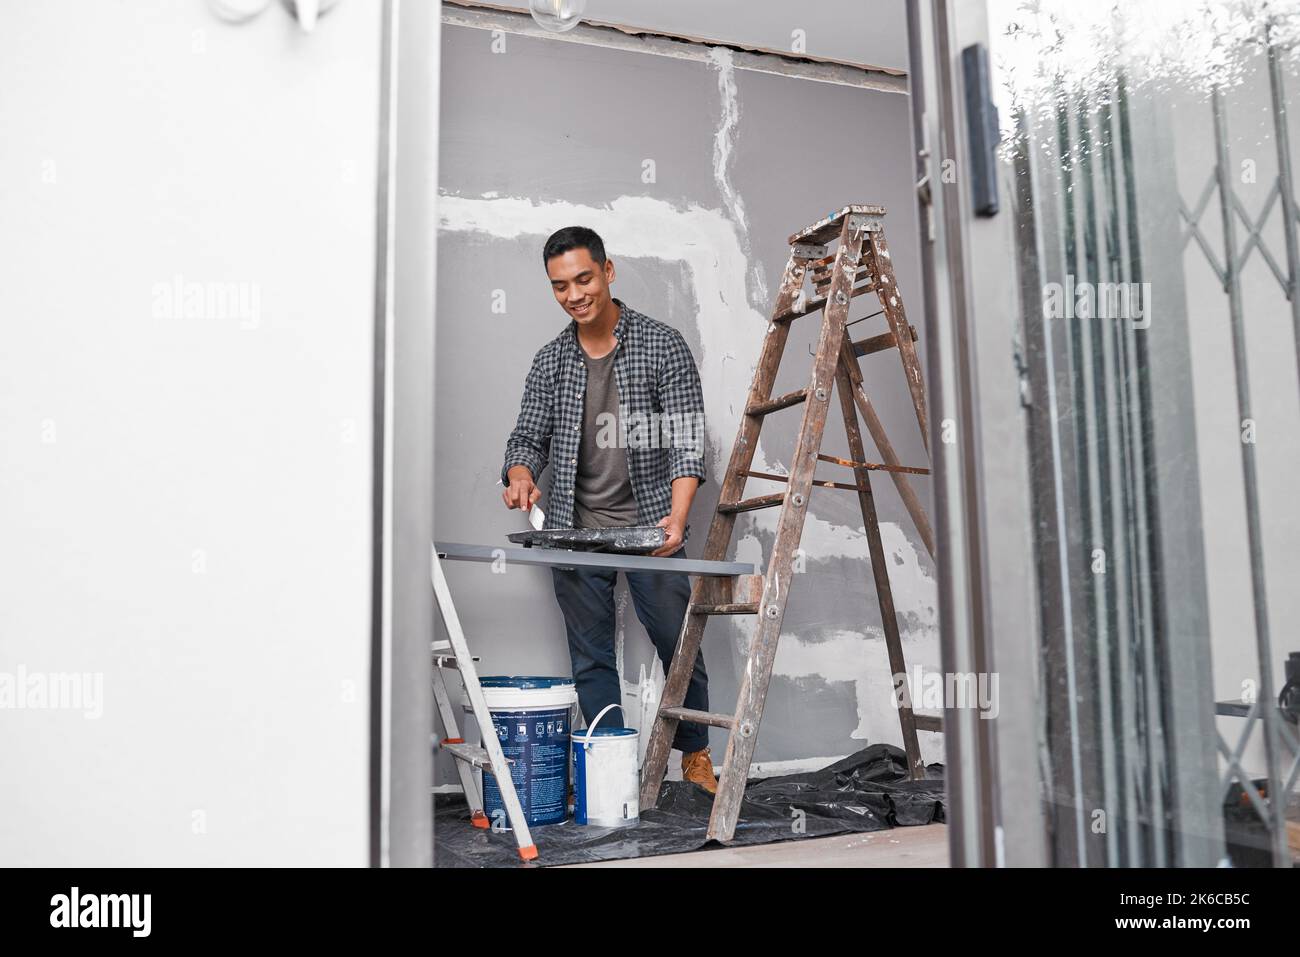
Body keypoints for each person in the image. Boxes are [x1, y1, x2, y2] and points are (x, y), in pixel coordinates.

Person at [500, 225, 718, 794]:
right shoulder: (550, 362)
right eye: (560, 286)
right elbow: (527, 437)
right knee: (590, 657)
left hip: (651, 526)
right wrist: (521, 475)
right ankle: (610, 772)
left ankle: (694, 756)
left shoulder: (662, 345)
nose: (574, 294)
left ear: (608, 271)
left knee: (680, 643)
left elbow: (687, 441)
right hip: (575, 532)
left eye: (584, 278)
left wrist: (676, 519)